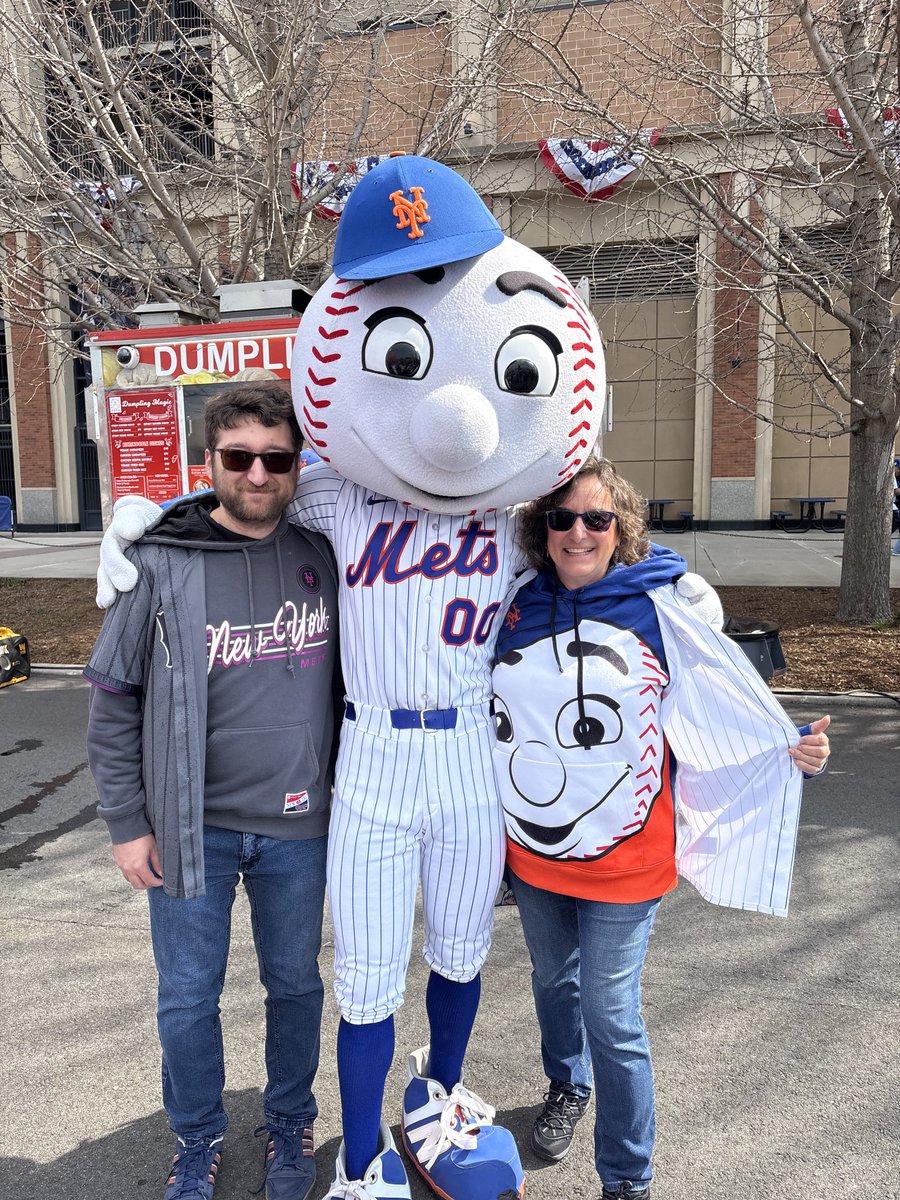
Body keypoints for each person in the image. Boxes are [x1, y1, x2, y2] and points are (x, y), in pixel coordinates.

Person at [93, 156, 719, 1200]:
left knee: (465, 956)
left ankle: (442, 1097)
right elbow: (251, 494)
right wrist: (153, 518)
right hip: (374, 751)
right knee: (371, 977)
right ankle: (367, 1158)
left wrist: (671, 579)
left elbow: (588, 545)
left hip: (471, 751)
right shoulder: (343, 495)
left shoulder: (515, 515)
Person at [491, 455, 831, 1200]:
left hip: (629, 862)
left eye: (596, 519)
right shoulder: (515, 602)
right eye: (561, 518)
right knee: (554, 986)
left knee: (611, 1014)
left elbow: (730, 707)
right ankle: (566, 1086)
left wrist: (792, 746)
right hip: (537, 858)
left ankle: (627, 1177)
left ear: (622, 528)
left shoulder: (666, 606)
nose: (578, 532)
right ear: (539, 528)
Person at [85, 386, 341, 1200]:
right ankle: (196, 1139)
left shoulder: (323, 557)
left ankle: (288, 1123)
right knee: (188, 996)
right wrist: (128, 824)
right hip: (192, 828)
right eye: (239, 457)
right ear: (210, 465)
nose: (258, 473)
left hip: (299, 829)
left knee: (295, 985)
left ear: (297, 467)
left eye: (276, 458)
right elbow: (111, 702)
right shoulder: (161, 560)